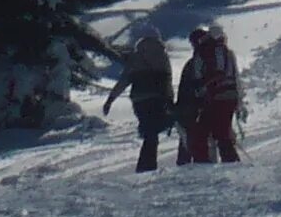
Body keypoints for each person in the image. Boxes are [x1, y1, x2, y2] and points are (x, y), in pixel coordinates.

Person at [102, 31, 175, 172]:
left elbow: (124, 80)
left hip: (139, 100)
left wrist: (110, 100)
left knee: (149, 130)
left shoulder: (136, 57)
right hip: (157, 98)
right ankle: (147, 165)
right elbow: (167, 80)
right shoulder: (162, 56)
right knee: (153, 131)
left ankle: (145, 164)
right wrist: (170, 100)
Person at [182, 24, 243, 164]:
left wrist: (203, 88)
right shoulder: (227, 52)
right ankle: (230, 160)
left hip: (216, 97)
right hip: (230, 95)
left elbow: (204, 76)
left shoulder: (206, 52)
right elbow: (235, 77)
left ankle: (205, 162)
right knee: (221, 130)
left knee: (206, 131)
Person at [174, 29, 211, 163]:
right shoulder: (208, 58)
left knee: (187, 136)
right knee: (201, 135)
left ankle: (186, 163)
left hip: (188, 104)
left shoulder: (194, 61)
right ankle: (202, 161)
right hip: (201, 103)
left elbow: (185, 86)